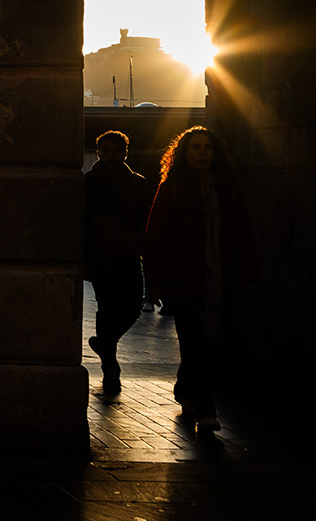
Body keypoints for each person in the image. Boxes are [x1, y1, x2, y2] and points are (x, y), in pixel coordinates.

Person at [143, 126, 258, 437]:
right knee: (195, 342)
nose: (202, 153)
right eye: (195, 148)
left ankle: (186, 387)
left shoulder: (229, 189)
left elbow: (243, 236)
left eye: (207, 147)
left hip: (223, 280)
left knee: (208, 345)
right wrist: (154, 281)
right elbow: (157, 238)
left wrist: (247, 275)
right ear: (184, 154)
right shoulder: (172, 189)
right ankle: (208, 410)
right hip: (185, 281)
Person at [83, 130, 155, 393]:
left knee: (132, 305)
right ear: (99, 152)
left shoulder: (139, 184)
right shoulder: (88, 183)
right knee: (107, 307)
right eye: (106, 150)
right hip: (101, 255)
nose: (111, 155)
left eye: (116, 150)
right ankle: (110, 367)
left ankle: (105, 345)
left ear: (125, 152)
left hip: (126, 254)